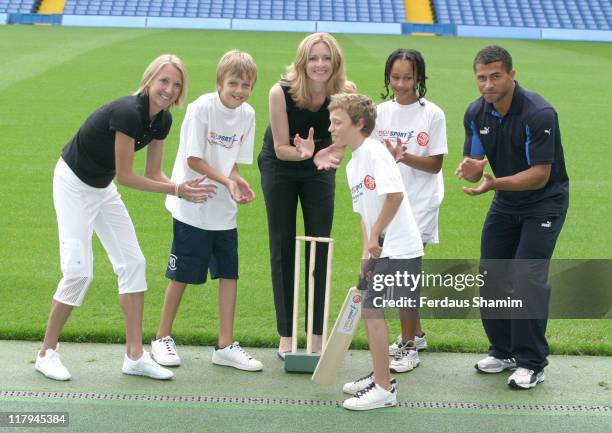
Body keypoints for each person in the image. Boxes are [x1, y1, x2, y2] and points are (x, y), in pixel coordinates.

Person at [36, 54, 215, 381]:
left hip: (101, 187)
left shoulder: (162, 120)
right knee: (78, 272)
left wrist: (181, 187)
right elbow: (127, 177)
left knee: (133, 263)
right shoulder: (128, 112)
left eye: (176, 85)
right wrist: (177, 190)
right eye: (164, 81)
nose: (169, 89)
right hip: (73, 183)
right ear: (149, 80)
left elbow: (153, 172)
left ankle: (134, 356)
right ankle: (46, 352)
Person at [456, 45, 569, 389]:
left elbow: (540, 175)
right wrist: (472, 170)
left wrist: (493, 183)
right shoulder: (476, 114)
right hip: (506, 202)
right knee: (492, 273)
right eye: (481, 77)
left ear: (512, 75)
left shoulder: (539, 113)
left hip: (544, 203)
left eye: (495, 76)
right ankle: (502, 351)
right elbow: (475, 169)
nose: (487, 85)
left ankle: (532, 362)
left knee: (527, 277)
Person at [151, 50, 262, 372]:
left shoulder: (248, 114)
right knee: (181, 274)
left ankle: (225, 345)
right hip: (193, 205)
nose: (240, 91)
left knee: (229, 274)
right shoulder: (201, 109)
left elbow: (235, 165)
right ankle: (161, 338)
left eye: (246, 85)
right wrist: (227, 180)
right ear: (219, 82)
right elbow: (193, 160)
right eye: (234, 84)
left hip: (223, 211)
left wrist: (238, 183)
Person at [257, 32, 352, 357]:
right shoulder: (280, 92)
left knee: (319, 245)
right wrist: (308, 153)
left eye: (326, 58)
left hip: (319, 169)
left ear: (335, 62)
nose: (320, 64)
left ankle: (315, 335)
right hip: (281, 165)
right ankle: (286, 334)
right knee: (282, 245)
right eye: (313, 58)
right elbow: (282, 148)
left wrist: (327, 154)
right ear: (302, 62)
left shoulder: (345, 93)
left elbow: (342, 144)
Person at [327, 93, 424, 410]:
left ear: (358, 124)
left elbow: (394, 196)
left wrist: (376, 240)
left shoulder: (375, 154)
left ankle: (384, 388)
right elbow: (365, 217)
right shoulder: (354, 165)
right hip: (383, 250)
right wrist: (365, 256)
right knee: (372, 311)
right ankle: (380, 376)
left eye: (337, 122)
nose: (331, 127)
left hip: (401, 248)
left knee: (372, 311)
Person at [372, 48, 448, 372]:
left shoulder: (432, 114)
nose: (401, 84)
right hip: (390, 204)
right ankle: (415, 334)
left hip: (420, 202)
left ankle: (406, 346)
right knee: (400, 274)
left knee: (405, 275)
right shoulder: (379, 113)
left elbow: (435, 164)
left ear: (419, 78)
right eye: (395, 77)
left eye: (408, 77)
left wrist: (404, 157)